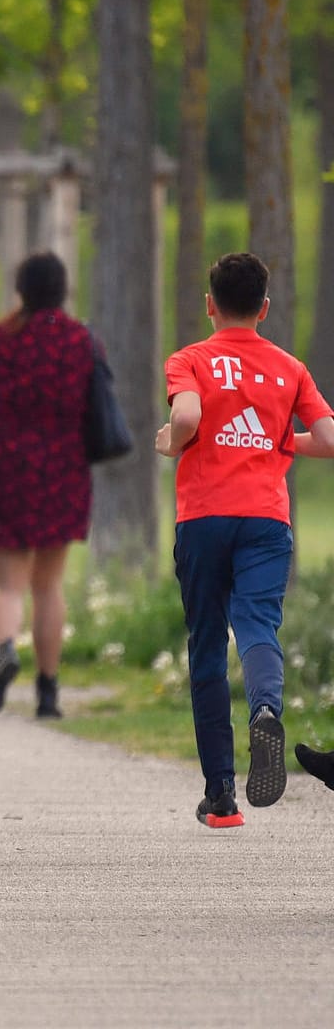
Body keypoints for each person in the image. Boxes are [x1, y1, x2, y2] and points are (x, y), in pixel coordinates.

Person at [155, 252, 334, 827]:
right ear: (264, 306)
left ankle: (222, 799)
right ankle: (265, 709)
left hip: (205, 518)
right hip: (266, 519)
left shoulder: (191, 359)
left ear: (210, 305)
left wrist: (171, 442)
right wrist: (283, 443)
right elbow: (328, 438)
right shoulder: (290, 367)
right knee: (257, 625)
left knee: (207, 644)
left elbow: (186, 418)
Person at [0, 251, 94, 719]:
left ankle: (4, 650)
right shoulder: (79, 340)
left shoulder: (2, 337)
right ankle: (48, 691)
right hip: (63, 468)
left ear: (21, 289)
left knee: (7, 584)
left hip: (8, 466)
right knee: (49, 586)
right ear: (62, 289)